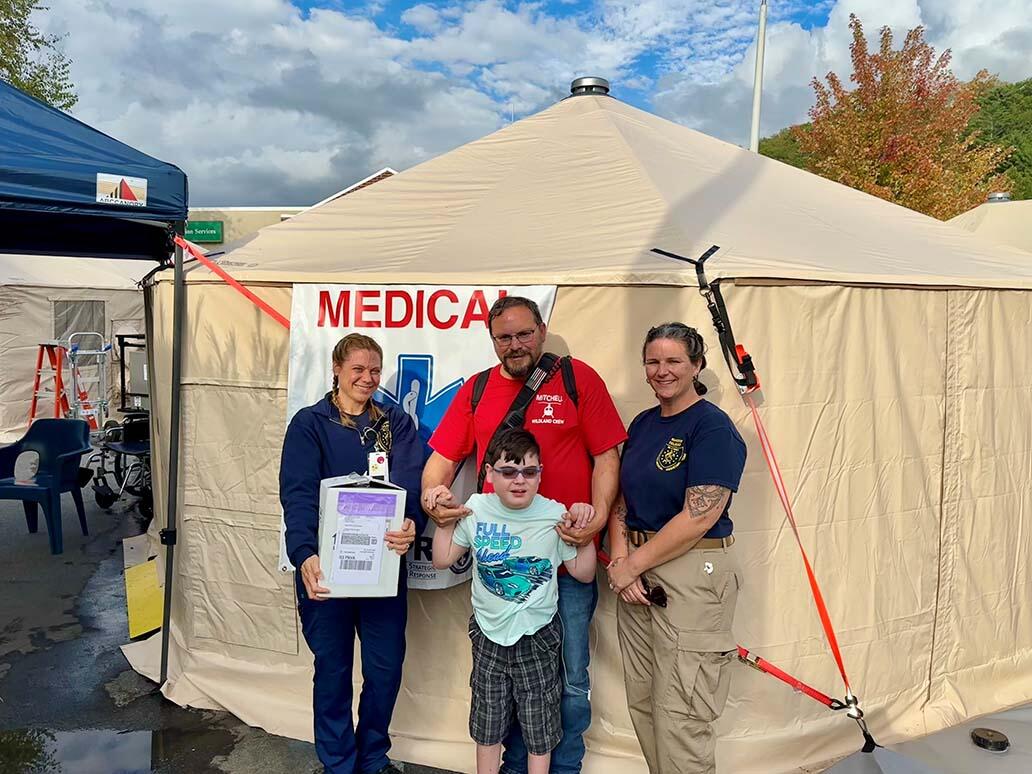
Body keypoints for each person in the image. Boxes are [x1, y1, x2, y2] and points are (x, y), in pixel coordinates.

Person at [421, 296, 626, 774]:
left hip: (567, 559)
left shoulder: (578, 379)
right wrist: (433, 497)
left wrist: (594, 523)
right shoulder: (476, 391)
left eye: (523, 334)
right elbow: (441, 464)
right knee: (502, 682)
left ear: (542, 329)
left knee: (572, 679)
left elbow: (607, 457)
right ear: (491, 340)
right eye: (503, 337)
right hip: (503, 565)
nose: (514, 345)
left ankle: (565, 766)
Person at [280, 333, 427, 774]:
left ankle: (373, 757)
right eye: (358, 369)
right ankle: (338, 763)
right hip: (325, 572)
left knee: (385, 669)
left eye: (375, 370)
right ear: (337, 370)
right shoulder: (310, 424)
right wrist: (304, 552)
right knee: (333, 670)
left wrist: (410, 523)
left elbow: (411, 486)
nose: (368, 378)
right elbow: (298, 493)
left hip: (382, 570)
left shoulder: (394, 423)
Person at [606, 323, 747, 774]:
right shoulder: (644, 424)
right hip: (638, 569)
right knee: (646, 704)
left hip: (692, 572)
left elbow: (699, 516)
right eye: (653, 361)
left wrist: (631, 566)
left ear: (697, 365)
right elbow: (622, 500)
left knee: (683, 713)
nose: (661, 371)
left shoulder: (712, 428)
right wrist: (621, 560)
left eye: (673, 361)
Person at [430, 429, 597, 774]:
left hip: (537, 638)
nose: (519, 480)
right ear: (489, 473)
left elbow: (584, 573)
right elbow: (443, 559)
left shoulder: (554, 514)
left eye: (529, 472)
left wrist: (585, 530)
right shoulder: (475, 508)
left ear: (541, 474)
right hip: (488, 637)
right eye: (508, 471)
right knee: (488, 723)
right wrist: (444, 518)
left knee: (539, 725)